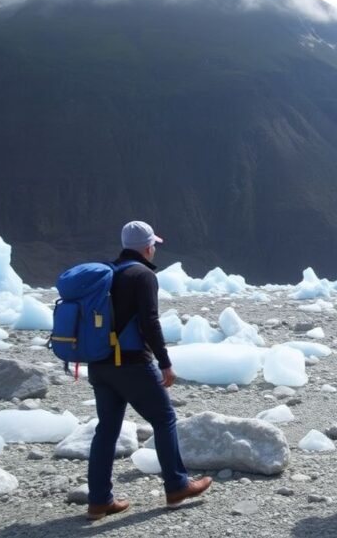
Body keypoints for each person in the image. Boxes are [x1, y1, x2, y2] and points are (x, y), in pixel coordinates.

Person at [86, 221, 212, 520]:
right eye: (153, 244)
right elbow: (149, 321)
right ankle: (177, 485)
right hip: (131, 363)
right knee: (164, 418)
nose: (154, 248)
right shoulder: (142, 275)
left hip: (100, 364)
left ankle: (98, 501)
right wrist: (164, 362)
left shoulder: (107, 274)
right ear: (147, 247)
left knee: (106, 430)